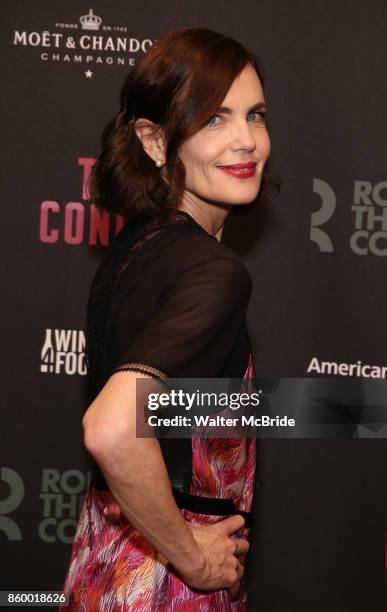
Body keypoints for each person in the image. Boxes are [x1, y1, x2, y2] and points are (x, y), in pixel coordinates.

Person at [61, 27, 279, 611]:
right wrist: (194, 557)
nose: (246, 141)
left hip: (103, 567)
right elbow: (110, 427)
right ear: (155, 141)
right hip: (165, 586)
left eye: (254, 115)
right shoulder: (214, 271)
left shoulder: (134, 251)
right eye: (213, 119)